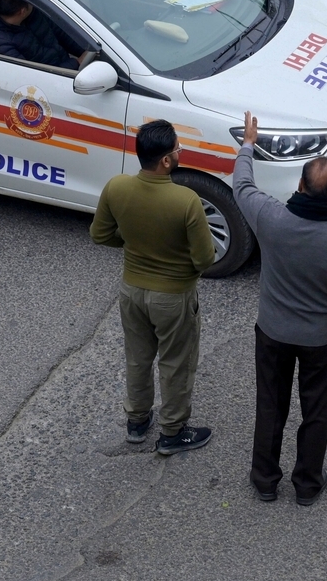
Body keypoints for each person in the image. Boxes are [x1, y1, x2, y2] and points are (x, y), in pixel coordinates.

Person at [233, 111, 327, 506]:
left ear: (299, 185)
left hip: (272, 332)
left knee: (271, 405)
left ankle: (265, 480)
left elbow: (241, 185)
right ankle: (307, 484)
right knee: (316, 410)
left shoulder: (271, 218)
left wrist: (248, 144)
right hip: (319, 341)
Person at [90, 119, 217, 456]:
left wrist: (134, 244)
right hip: (173, 297)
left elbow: (99, 234)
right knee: (175, 362)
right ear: (165, 161)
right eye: (177, 149)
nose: (180, 152)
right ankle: (173, 432)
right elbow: (205, 260)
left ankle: (136, 422)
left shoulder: (117, 187)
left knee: (138, 358)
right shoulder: (186, 201)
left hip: (131, 291)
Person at [0, 0, 83, 70]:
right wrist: (76, 63)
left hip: (66, 64)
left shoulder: (33, 14)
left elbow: (61, 33)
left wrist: (86, 49)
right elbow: (31, 74)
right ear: (22, 11)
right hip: (52, 81)